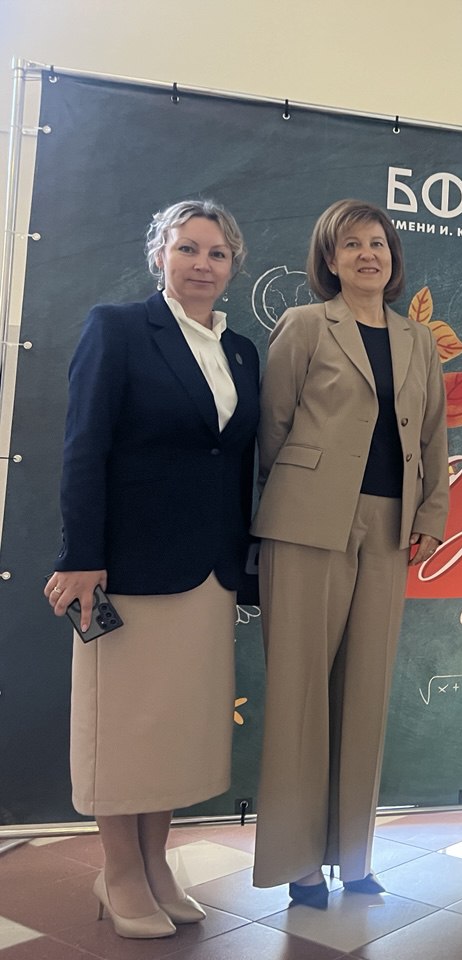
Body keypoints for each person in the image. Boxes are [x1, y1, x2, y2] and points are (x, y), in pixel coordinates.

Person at [44, 200, 258, 938]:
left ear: (233, 267)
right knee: (125, 727)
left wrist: (246, 564)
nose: (202, 263)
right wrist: (81, 556)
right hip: (127, 570)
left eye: (217, 253)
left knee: (174, 728)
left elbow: (235, 463)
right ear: (158, 256)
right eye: (186, 248)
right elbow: (84, 446)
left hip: (208, 573)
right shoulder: (118, 328)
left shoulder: (240, 352)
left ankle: (155, 862)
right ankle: (119, 871)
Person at [251, 199, 449, 908]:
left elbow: (433, 436)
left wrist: (430, 515)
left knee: (366, 694)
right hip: (306, 525)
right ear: (329, 260)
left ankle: (355, 858)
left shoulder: (418, 339)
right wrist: (294, 502)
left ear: (393, 259)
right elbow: (272, 428)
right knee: (299, 694)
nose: (369, 254)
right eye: (353, 244)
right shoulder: (305, 325)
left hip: (390, 528)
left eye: (379, 243)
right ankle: (300, 865)